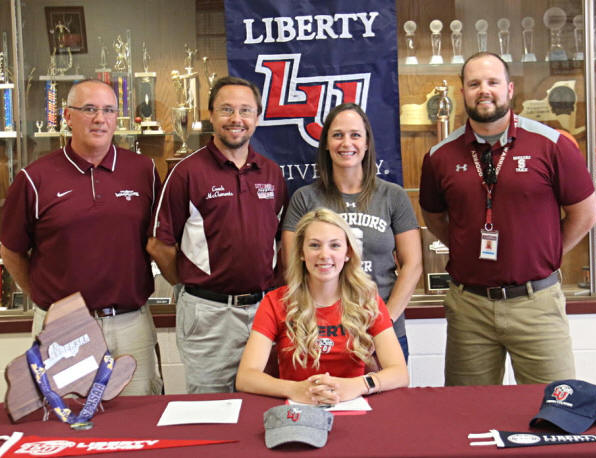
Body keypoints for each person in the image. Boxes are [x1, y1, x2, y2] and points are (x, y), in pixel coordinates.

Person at [419, 52, 596, 386]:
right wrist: (465, 245)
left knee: (556, 408)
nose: (483, 90)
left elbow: (585, 213)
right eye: (474, 84)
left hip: (536, 304)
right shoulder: (439, 156)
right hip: (469, 308)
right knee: (466, 416)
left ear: (510, 89)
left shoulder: (552, 145)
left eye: (492, 82)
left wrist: (547, 254)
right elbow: (433, 216)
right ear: (463, 92)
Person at [0, 79, 163, 395]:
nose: (100, 119)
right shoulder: (34, 179)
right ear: (67, 116)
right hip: (63, 329)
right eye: (89, 109)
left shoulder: (143, 171)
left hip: (130, 324)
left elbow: (158, 241)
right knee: (66, 424)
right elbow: (12, 252)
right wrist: (49, 303)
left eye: (108, 110)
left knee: (137, 424)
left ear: (117, 117)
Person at [147, 76, 288, 393]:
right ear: (210, 115)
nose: (236, 119)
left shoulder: (271, 173)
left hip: (263, 310)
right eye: (226, 110)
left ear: (257, 117)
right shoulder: (187, 172)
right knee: (211, 407)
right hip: (208, 314)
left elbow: (281, 242)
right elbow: (158, 245)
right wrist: (190, 281)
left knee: (263, 401)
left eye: (245, 110)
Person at [282, 103, 422, 362]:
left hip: (384, 330)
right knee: (322, 401)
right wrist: (319, 321)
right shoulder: (305, 198)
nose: (346, 143)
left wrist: (384, 323)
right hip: (323, 332)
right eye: (337, 135)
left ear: (367, 143)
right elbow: (292, 268)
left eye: (355, 135)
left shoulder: (393, 196)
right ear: (325, 143)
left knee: (389, 402)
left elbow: (412, 265)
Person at [236, 208, 409, 403]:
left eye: (335, 245)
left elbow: (400, 373)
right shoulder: (275, 302)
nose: (324, 255)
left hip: (353, 408)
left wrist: (358, 385)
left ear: (348, 252)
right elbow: (246, 377)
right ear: (301, 252)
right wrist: (297, 390)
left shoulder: (367, 301)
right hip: (296, 412)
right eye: (314, 245)